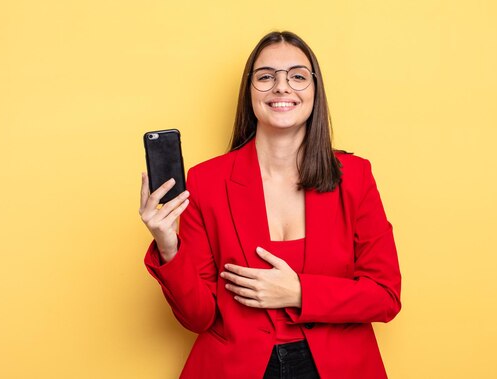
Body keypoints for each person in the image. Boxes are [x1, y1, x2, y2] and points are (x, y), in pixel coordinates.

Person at [139, 31, 402, 379]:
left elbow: (385, 296)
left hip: (340, 367)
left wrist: (298, 292)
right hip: (234, 368)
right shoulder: (206, 181)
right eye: (266, 77)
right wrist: (168, 246)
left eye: (297, 76)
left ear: (314, 90)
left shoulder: (354, 176)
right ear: (250, 93)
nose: (281, 87)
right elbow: (197, 317)